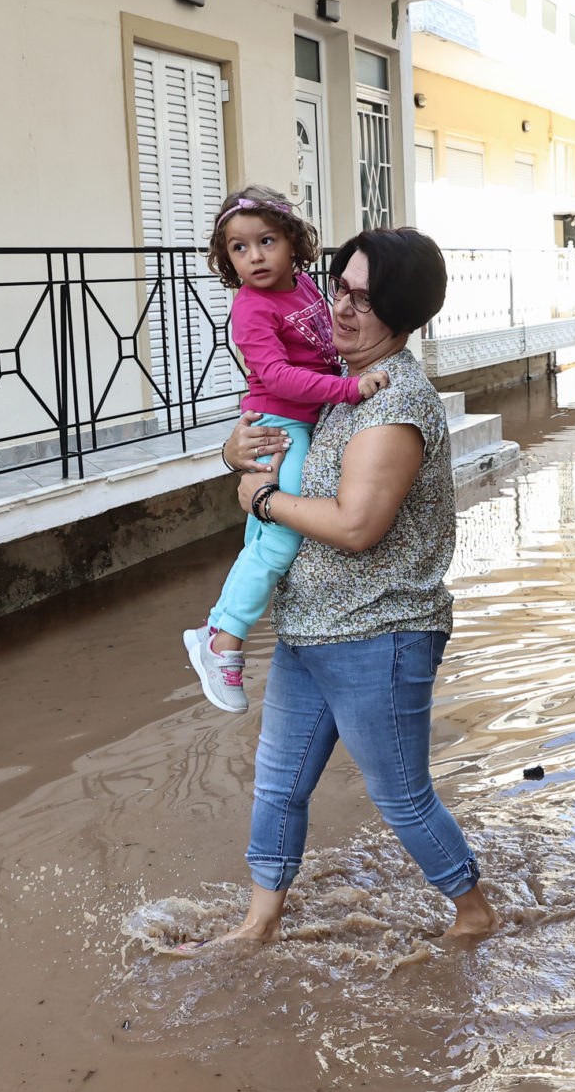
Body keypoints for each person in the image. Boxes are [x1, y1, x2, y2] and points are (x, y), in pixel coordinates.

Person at [189, 228, 500, 948]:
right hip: (309, 631)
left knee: (399, 794)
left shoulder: (394, 402)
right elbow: (269, 437)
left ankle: (474, 911)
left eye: (367, 299)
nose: (345, 310)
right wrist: (232, 450)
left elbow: (357, 525)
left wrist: (261, 502)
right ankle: (260, 921)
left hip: (379, 635)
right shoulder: (337, 382)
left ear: (408, 312)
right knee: (279, 786)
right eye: (340, 290)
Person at [183, 186, 389, 714]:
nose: (254, 256)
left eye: (267, 241)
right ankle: (224, 642)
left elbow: (321, 354)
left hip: (303, 419)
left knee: (259, 541)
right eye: (239, 248)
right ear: (226, 258)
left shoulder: (303, 289)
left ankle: (213, 627)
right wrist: (348, 390)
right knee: (279, 542)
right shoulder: (250, 309)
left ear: (294, 244)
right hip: (282, 427)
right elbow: (275, 375)